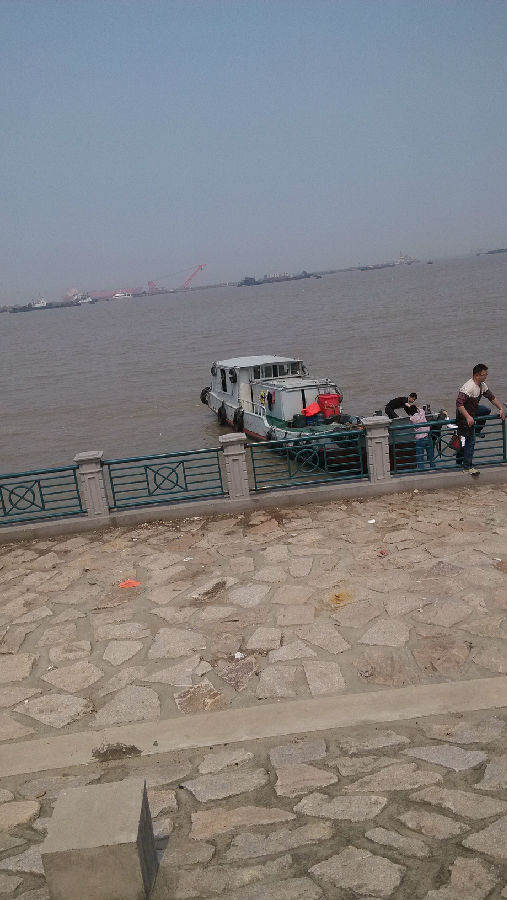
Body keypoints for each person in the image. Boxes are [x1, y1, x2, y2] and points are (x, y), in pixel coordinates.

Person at [456, 364, 505, 474]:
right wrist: (468, 417)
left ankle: (477, 430)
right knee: (470, 441)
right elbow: (459, 404)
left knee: (486, 410)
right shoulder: (468, 387)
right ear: (477, 375)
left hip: (473, 410)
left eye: (486, 374)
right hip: (464, 414)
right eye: (484, 374)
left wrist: (500, 408)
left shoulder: (482, 385)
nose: (486, 376)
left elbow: (491, 397)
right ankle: (467, 467)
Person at [408, 404, 435, 470]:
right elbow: (422, 410)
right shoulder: (422, 414)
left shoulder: (412, 418)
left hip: (419, 439)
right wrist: (417, 407)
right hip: (427, 436)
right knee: (430, 454)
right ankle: (433, 467)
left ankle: (421, 470)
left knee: (420, 456)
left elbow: (410, 423)